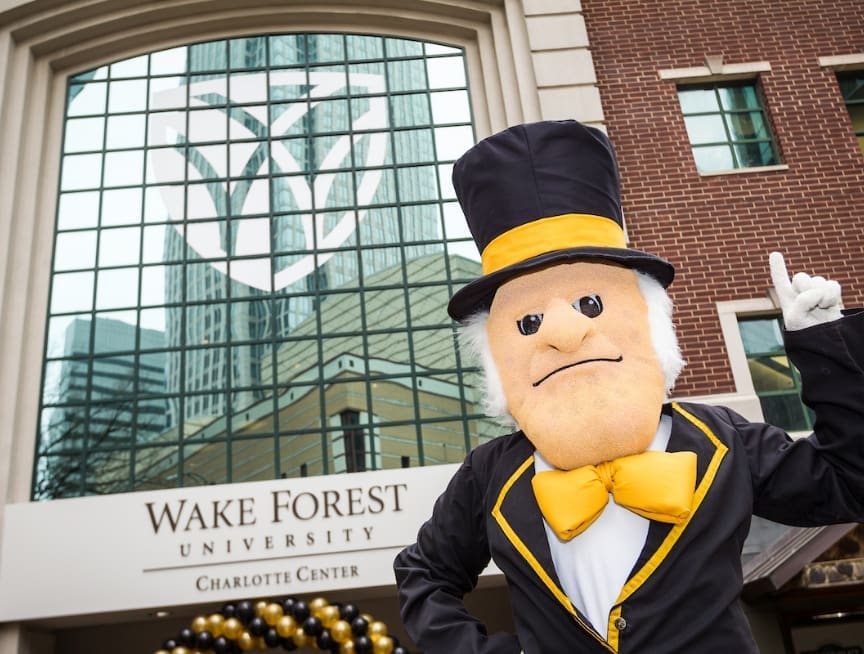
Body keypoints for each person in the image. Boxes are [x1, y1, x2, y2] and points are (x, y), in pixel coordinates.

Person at [393, 120, 864, 653]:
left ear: (647, 317)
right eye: (529, 322)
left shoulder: (718, 439)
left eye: (590, 304)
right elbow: (423, 572)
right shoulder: (492, 475)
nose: (564, 333)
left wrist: (827, 348)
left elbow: (850, 481)